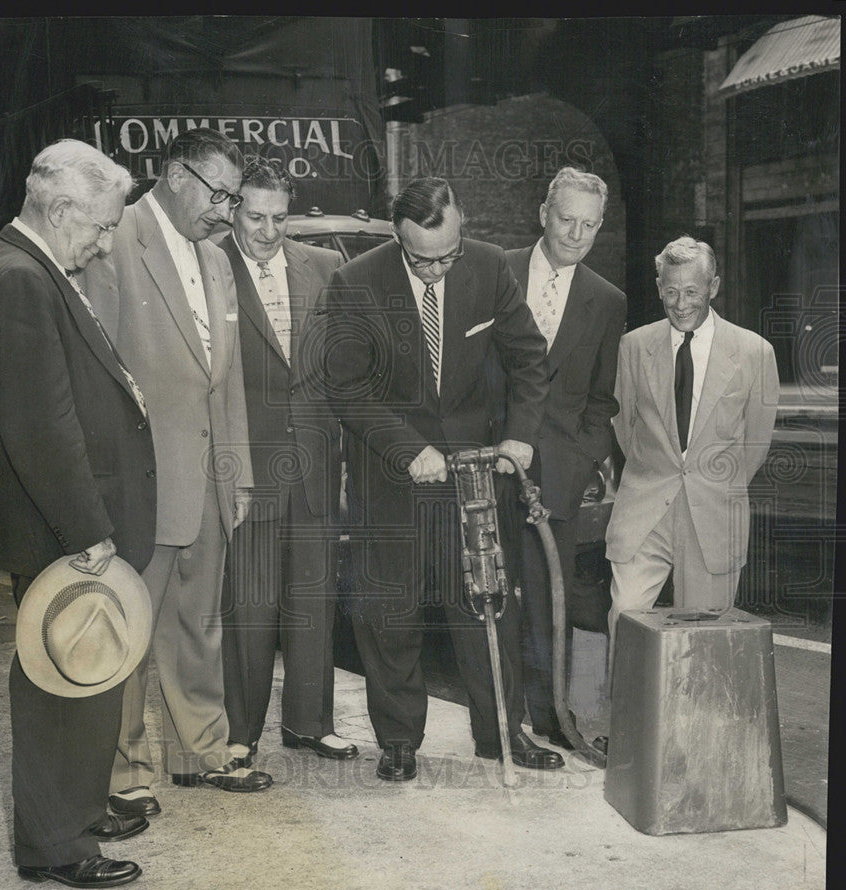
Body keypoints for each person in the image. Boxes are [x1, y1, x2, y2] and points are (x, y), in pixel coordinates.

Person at [0, 139, 156, 887]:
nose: (105, 243)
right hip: (61, 528)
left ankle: (77, 806)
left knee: (89, 670)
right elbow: (40, 425)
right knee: (58, 679)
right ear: (61, 207)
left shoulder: (36, 268)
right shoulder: (20, 279)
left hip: (67, 524)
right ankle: (56, 845)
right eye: (101, 227)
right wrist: (90, 529)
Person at [324, 176, 559, 782]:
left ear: (463, 228)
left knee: (486, 608)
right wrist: (409, 448)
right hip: (393, 479)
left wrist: (521, 434)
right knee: (390, 613)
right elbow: (346, 388)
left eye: (446, 256)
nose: (435, 270)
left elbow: (529, 358)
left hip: (474, 477)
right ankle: (400, 741)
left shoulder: (487, 268)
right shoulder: (356, 282)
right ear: (398, 238)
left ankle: (501, 734)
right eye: (420, 259)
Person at [81, 128, 272, 806]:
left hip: (208, 480)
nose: (227, 211)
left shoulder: (217, 260)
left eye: (232, 198)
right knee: (130, 627)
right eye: (220, 195)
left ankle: (203, 751)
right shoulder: (115, 239)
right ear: (176, 175)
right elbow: (94, 373)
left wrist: (239, 472)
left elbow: (228, 380)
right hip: (143, 483)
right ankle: (126, 771)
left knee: (199, 623)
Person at [217, 158, 358, 762]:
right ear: (233, 211)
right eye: (255, 216)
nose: (269, 231)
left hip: (316, 463)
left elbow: (349, 366)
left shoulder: (325, 266)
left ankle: (308, 723)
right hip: (248, 468)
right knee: (249, 609)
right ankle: (239, 735)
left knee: (313, 601)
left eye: (280, 218)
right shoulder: (209, 264)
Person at [605, 236, 779, 656]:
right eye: (670, 291)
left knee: (701, 642)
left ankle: (691, 724)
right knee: (626, 619)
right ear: (659, 288)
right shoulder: (634, 347)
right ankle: (631, 721)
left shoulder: (755, 352)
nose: (680, 303)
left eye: (691, 292)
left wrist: (711, 483)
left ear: (713, 288)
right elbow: (623, 424)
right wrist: (657, 469)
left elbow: (755, 443)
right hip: (646, 506)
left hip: (714, 514)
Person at [501, 167, 626, 748]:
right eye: (566, 219)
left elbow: (602, 400)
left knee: (551, 598)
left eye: (589, 225)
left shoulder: (606, 300)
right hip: (490, 462)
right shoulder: (493, 270)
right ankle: (498, 720)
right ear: (543, 214)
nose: (575, 234)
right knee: (488, 591)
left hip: (559, 475)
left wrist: (579, 463)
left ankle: (549, 718)